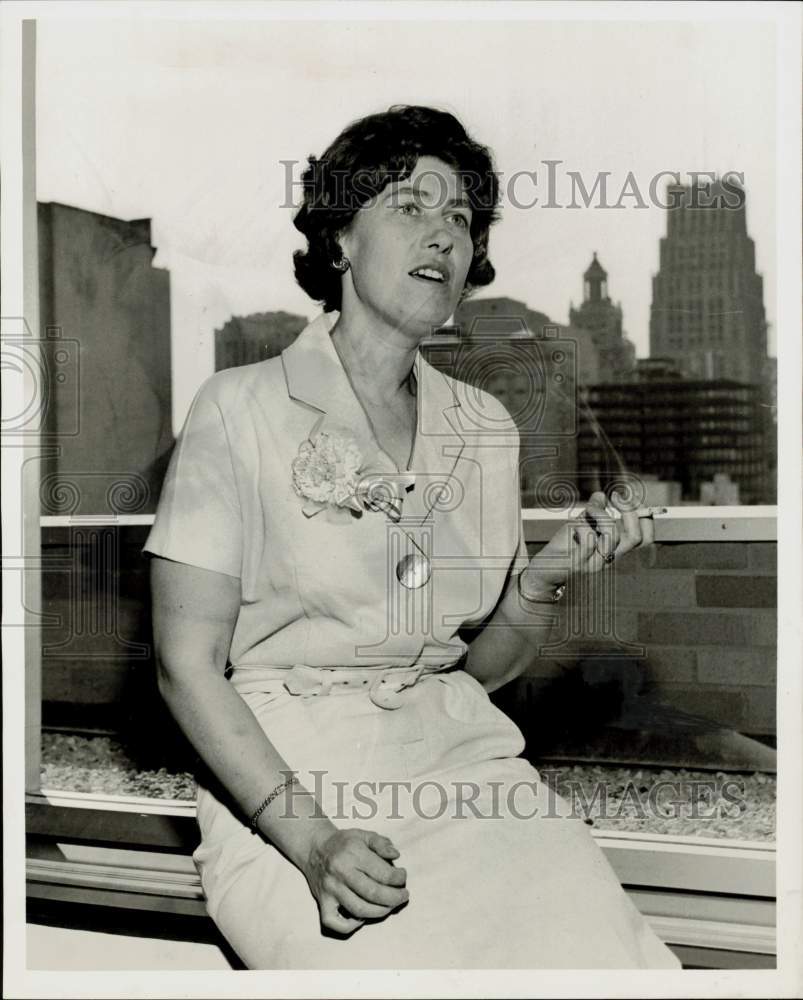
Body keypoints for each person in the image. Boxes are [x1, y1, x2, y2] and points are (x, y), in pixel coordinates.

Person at [144, 105, 681, 970]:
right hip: (289, 790)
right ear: (339, 240)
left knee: (610, 964)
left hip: (468, 772)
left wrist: (539, 584)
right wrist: (314, 843)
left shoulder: (486, 425)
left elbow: (473, 673)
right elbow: (186, 667)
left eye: (460, 219)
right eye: (407, 206)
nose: (441, 235)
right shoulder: (237, 408)